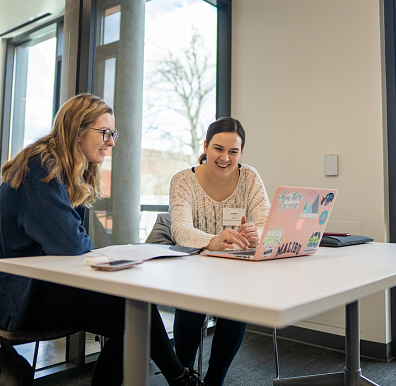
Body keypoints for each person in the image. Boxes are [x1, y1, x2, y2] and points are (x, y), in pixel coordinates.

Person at [0, 94, 202, 386]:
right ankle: (182, 379)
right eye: (105, 133)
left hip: (41, 287)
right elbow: (73, 246)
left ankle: (180, 378)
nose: (111, 142)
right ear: (77, 130)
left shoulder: (71, 172)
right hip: (16, 299)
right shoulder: (41, 165)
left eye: (113, 133)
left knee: (133, 313)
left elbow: (75, 244)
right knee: (134, 309)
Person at [169, 117, 271, 386]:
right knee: (190, 306)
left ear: (241, 152)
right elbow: (180, 230)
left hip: (235, 271)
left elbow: (266, 220)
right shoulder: (183, 181)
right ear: (205, 146)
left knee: (235, 306)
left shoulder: (249, 177)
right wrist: (213, 240)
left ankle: (215, 380)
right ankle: (183, 376)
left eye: (233, 151)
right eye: (218, 149)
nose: (225, 157)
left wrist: (257, 232)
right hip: (194, 270)